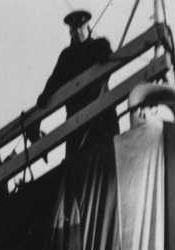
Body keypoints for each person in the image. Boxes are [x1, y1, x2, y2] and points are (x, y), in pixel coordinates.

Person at [35, 10, 115, 155]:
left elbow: (109, 58)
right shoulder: (66, 56)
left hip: (101, 113)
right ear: (70, 32)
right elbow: (55, 80)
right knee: (76, 160)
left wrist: (104, 55)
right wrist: (45, 95)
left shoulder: (100, 45)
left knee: (106, 155)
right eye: (74, 28)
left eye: (81, 27)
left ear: (88, 28)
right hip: (76, 119)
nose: (78, 32)